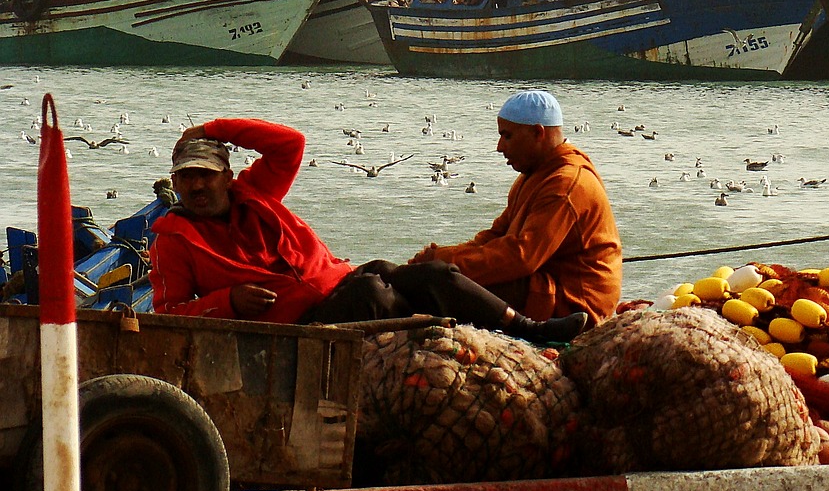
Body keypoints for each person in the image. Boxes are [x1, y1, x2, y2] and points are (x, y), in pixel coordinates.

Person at [149, 117, 587, 344]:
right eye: (186, 177)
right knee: (375, 295)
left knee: (436, 272)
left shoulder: (256, 192)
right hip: (299, 322)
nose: (197, 185)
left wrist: (214, 129)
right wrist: (230, 301)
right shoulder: (173, 236)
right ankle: (441, 331)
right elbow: (166, 315)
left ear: (227, 176)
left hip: (341, 280)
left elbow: (291, 143)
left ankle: (531, 329)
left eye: (205, 175)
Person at [410, 90, 621, 327]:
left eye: (507, 136)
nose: (500, 147)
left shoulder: (566, 184)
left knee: (447, 286)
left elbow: (521, 258)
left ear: (537, 133)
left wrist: (444, 266)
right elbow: (494, 237)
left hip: (575, 304)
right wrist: (439, 259)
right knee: (434, 279)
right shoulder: (533, 175)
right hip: (542, 283)